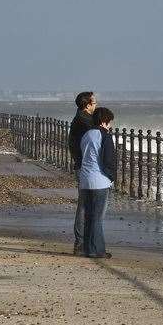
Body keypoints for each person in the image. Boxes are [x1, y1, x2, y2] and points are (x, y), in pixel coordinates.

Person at [79, 106, 116, 259]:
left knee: (88, 216)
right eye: (110, 122)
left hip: (85, 179)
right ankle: (98, 250)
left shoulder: (86, 134)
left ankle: (87, 248)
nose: (111, 125)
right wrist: (112, 176)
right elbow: (108, 159)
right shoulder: (105, 136)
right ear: (103, 122)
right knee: (98, 218)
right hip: (100, 181)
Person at [68, 91, 97, 255]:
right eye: (94, 103)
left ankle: (84, 242)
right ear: (87, 105)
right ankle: (80, 243)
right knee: (85, 205)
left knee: (87, 204)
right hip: (85, 167)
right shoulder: (84, 120)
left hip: (84, 166)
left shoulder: (82, 118)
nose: (96, 105)